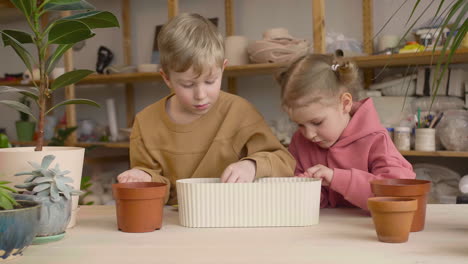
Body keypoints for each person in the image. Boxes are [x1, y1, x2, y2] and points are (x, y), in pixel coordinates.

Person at [117, 13, 295, 205]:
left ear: (223, 68)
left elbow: (284, 161)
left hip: (233, 215)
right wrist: (143, 177)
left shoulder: (240, 112)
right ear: (166, 78)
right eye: (187, 84)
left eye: (210, 81)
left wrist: (251, 165)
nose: (201, 94)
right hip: (175, 224)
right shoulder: (145, 123)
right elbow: (157, 185)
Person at [276, 54, 415, 210]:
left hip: (370, 230)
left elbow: (397, 193)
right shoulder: (300, 142)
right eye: (299, 125)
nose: (308, 134)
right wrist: (304, 192)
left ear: (345, 104)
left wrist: (337, 178)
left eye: (317, 122)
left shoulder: (375, 139)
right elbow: (316, 202)